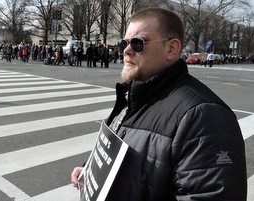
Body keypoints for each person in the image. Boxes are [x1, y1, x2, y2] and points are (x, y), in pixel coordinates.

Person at [71, 7, 247, 201]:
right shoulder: (134, 94)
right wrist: (91, 169)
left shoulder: (204, 115)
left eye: (138, 43)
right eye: (124, 43)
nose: (126, 51)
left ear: (171, 49)